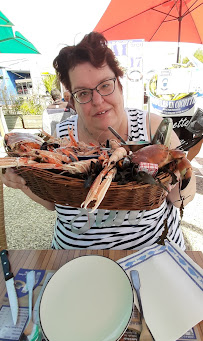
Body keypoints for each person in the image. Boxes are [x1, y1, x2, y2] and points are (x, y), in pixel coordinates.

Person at [2, 32, 196, 250]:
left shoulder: (155, 129)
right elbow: (51, 203)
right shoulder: (61, 137)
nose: (97, 100)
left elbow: (182, 200)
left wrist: (180, 170)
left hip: (150, 253)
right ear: (72, 102)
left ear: (119, 84)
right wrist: (24, 183)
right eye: (83, 93)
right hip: (73, 255)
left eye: (105, 85)